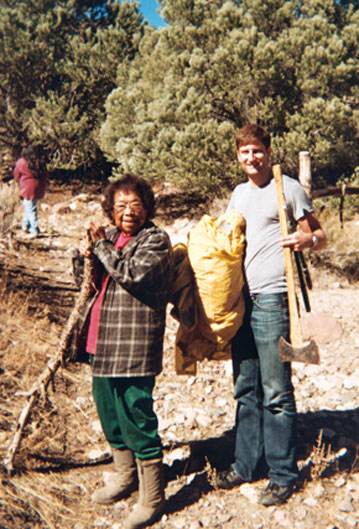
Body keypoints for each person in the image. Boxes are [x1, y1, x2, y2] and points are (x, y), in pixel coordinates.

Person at [216, 124, 326, 506]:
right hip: (241, 302)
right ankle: (247, 465)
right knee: (246, 388)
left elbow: (320, 235)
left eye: (257, 150)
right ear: (238, 156)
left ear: (267, 150)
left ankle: (282, 473)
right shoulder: (238, 194)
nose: (251, 158)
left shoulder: (288, 188)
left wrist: (306, 239)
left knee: (276, 390)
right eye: (244, 152)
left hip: (274, 301)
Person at [71, 174, 174, 529]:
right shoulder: (111, 237)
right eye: (120, 206)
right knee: (109, 410)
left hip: (133, 344)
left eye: (135, 205)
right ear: (110, 211)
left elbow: (132, 274)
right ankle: (124, 475)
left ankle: (152, 497)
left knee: (136, 412)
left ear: (147, 207)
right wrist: (84, 254)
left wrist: (100, 249)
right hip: (100, 341)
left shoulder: (156, 240)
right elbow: (88, 282)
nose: (128, 212)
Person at [13, 145, 48, 238]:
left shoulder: (21, 162)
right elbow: (46, 175)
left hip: (27, 188)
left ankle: (34, 229)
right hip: (39, 187)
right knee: (29, 206)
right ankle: (25, 226)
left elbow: (16, 175)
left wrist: (16, 182)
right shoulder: (40, 161)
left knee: (30, 208)